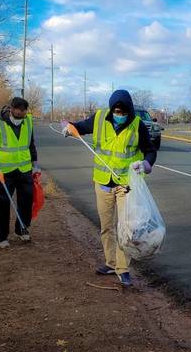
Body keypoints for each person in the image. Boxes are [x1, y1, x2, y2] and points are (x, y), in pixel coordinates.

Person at [62, 89, 156, 287]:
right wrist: (68, 127)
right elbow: (78, 127)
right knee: (107, 227)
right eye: (117, 112)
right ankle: (111, 263)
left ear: (129, 111)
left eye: (123, 113)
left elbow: (150, 150)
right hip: (103, 183)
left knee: (124, 228)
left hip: (125, 185)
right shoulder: (98, 118)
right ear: (111, 109)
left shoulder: (137, 125)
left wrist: (145, 164)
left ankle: (123, 269)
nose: (119, 115)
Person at [0, 97, 40, 249]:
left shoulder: (27, 122)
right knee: (3, 204)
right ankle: (1, 236)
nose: (22, 113)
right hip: (4, 172)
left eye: (24, 111)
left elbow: (31, 144)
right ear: (12, 109)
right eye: (19, 110)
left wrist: (35, 165)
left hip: (25, 170)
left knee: (26, 202)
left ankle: (22, 229)